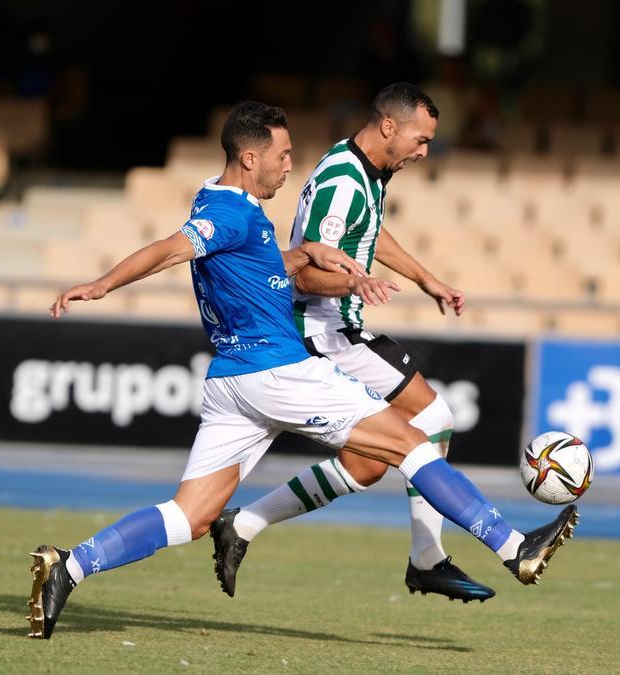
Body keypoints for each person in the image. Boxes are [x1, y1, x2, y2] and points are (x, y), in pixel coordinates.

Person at [27, 101, 579, 640]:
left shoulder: (231, 206)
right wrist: (102, 285)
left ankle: (69, 566)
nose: (291, 166)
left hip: (231, 383)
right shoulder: (226, 213)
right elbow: (171, 250)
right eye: (283, 155)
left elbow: (264, 269)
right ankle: (513, 548)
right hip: (279, 370)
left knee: (189, 517)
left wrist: (309, 251)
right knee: (412, 442)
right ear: (249, 159)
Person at [209, 83, 505, 603]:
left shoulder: (367, 171)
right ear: (388, 126)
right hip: (324, 328)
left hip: (335, 325)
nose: (424, 152)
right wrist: (354, 283)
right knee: (432, 420)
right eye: (420, 139)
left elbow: (368, 235)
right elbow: (303, 271)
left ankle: (244, 524)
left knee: (369, 464)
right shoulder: (343, 180)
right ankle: (427, 560)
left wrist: (425, 278)